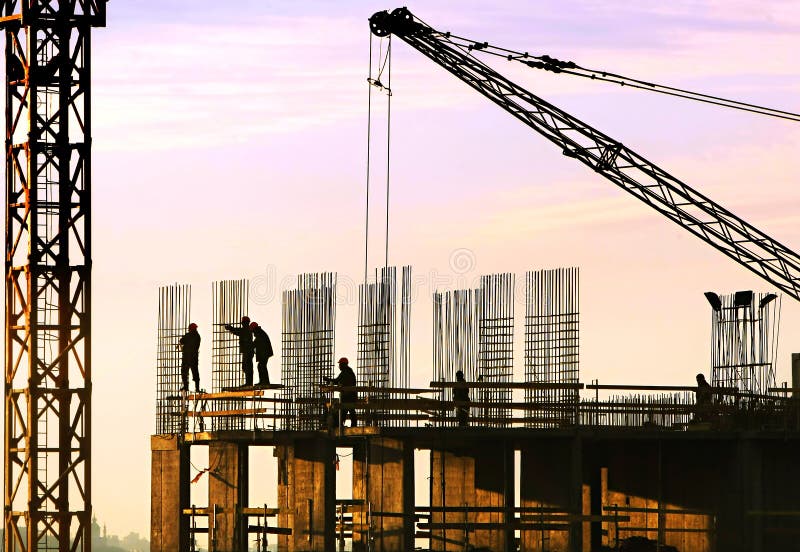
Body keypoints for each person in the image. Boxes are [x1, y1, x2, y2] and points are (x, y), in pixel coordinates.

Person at [224, 316, 255, 387]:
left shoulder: (246, 329)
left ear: (244, 323)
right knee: (246, 367)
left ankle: (249, 383)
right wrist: (231, 329)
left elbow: (239, 331)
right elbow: (239, 331)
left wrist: (230, 328)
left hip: (248, 351)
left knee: (247, 367)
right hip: (247, 351)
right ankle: (249, 382)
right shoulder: (247, 329)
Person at [328, 357, 357, 427]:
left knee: (344, 411)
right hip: (351, 396)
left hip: (347, 396)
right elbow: (338, 381)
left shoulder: (345, 373)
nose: (339, 366)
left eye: (340, 364)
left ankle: (341, 426)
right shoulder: (349, 372)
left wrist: (328, 380)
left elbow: (337, 381)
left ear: (343, 364)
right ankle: (351, 426)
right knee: (350, 411)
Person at [178, 323, 201, 392]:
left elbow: (181, 340)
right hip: (194, 358)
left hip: (186, 357)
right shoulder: (197, 336)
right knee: (195, 373)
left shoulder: (188, 335)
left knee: (184, 372)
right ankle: (197, 388)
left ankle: (186, 387)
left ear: (190, 329)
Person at [250, 321, 273, 386]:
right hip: (265, 353)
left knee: (261, 366)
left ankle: (264, 382)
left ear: (254, 328)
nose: (252, 332)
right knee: (261, 366)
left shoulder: (259, 333)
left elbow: (256, 342)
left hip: (264, 353)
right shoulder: (260, 332)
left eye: (252, 330)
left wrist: (250, 345)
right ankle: (264, 381)